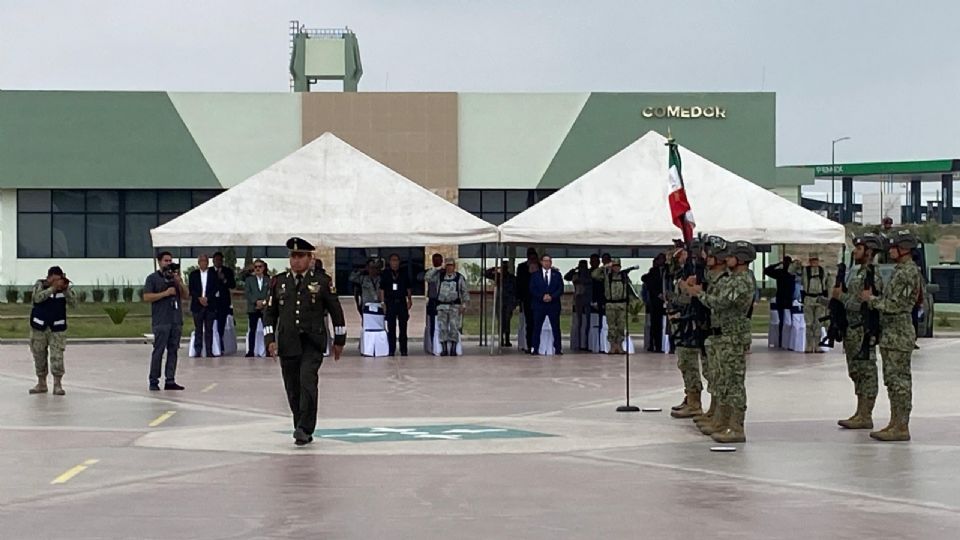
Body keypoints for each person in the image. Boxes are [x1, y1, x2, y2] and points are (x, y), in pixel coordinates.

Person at [264, 237, 346, 446]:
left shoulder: (322, 282)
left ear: (310, 259)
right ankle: (299, 424)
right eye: (293, 256)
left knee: (307, 382)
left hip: (312, 341)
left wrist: (340, 339)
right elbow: (270, 314)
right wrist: (269, 339)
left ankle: (305, 427)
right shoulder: (279, 282)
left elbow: (336, 311)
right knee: (292, 387)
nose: (296, 261)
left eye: (301, 256)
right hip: (288, 341)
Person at [683, 240, 755, 443]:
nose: (727, 259)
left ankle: (736, 426)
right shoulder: (734, 278)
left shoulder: (742, 280)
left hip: (733, 337)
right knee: (723, 381)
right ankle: (723, 422)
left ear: (741, 259)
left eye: (731, 256)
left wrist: (699, 294)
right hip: (724, 336)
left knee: (734, 384)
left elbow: (722, 303)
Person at [861, 229, 923, 442]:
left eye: (894, 247)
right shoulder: (900, 270)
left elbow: (897, 305)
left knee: (899, 382)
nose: (891, 251)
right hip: (891, 334)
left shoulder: (907, 272)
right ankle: (894, 422)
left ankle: (901, 425)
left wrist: (872, 300)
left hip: (899, 333)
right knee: (892, 380)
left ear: (904, 249)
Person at [834, 234, 885, 430]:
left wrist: (842, 297)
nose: (855, 251)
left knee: (867, 372)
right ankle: (859, 411)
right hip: (851, 330)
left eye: (859, 248)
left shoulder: (872, 275)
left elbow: (864, 303)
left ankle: (866, 414)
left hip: (863, 330)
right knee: (856, 372)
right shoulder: (857, 272)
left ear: (869, 252)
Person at [692, 237, 730, 431]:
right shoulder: (712, 276)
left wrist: (698, 292)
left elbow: (719, 302)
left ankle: (721, 418)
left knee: (722, 377)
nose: (706, 257)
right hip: (711, 328)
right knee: (713, 373)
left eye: (710, 254)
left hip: (724, 332)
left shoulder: (725, 278)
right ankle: (715, 412)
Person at [28, 266, 77, 396]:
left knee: (57, 356)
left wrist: (65, 289)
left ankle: (57, 385)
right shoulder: (40, 286)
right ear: (49, 278)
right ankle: (41, 383)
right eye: (54, 279)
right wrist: (52, 289)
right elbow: (37, 299)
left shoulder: (65, 288)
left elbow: (74, 304)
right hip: (39, 327)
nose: (57, 282)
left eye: (58, 279)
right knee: (39, 355)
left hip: (57, 328)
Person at [143, 251, 188, 391]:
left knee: (173, 350)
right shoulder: (152, 278)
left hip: (175, 319)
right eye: (166, 261)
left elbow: (186, 295)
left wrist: (180, 283)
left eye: (170, 261)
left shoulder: (175, 278)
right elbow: (147, 297)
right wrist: (165, 293)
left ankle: (170, 379)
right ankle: (153, 380)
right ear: (159, 262)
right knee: (159, 350)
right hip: (161, 320)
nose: (168, 263)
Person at [425, 258, 470, 356]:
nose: (449, 268)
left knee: (454, 327)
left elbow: (465, 292)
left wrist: (464, 305)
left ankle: (453, 348)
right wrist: (438, 268)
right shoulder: (439, 277)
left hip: (455, 306)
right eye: (447, 265)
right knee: (442, 328)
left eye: (451, 265)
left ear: (454, 266)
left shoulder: (459, 277)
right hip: (442, 306)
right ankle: (444, 348)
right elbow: (427, 277)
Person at [602, 258, 638, 355]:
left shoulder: (624, 277)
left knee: (621, 326)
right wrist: (605, 267)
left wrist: (632, 302)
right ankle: (612, 346)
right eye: (614, 266)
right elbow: (595, 275)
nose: (616, 268)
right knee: (611, 327)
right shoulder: (607, 276)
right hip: (610, 304)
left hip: (622, 304)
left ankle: (620, 346)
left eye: (618, 266)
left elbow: (629, 289)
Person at [530, 254, 564, 355]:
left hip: (553, 304)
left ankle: (558, 348)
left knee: (556, 327)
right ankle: (535, 348)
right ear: (541, 262)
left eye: (549, 261)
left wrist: (552, 296)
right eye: (545, 261)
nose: (547, 263)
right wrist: (542, 296)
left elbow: (560, 288)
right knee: (537, 327)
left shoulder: (556, 275)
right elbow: (532, 289)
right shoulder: (535, 275)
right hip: (539, 305)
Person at [380, 253, 413, 356]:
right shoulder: (385, 273)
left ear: (399, 262)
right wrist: (382, 303)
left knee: (403, 327)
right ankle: (391, 349)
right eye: (393, 260)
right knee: (391, 327)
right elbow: (381, 289)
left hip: (401, 302)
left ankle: (404, 349)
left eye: (396, 260)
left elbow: (408, 287)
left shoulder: (403, 273)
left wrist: (409, 299)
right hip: (390, 302)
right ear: (389, 262)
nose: (394, 262)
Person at [188, 254, 220, 358]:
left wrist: (207, 298)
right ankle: (198, 350)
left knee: (209, 329)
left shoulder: (213, 274)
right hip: (197, 305)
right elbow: (191, 289)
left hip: (209, 305)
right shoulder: (193, 274)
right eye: (201, 261)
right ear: (198, 262)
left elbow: (215, 288)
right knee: (198, 329)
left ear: (208, 262)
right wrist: (199, 298)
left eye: (205, 261)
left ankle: (209, 350)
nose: (203, 263)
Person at [763, 256, 795, 348]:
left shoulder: (792, 274)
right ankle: (782, 340)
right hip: (782, 298)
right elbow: (766, 271)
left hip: (788, 299)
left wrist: (778, 264)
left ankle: (787, 340)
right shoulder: (780, 273)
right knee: (782, 320)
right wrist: (778, 264)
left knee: (788, 321)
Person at [801, 253, 829, 353]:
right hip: (808, 298)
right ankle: (809, 346)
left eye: (815, 260)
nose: (814, 262)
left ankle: (817, 345)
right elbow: (791, 271)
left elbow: (827, 284)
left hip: (819, 298)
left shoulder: (823, 271)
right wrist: (797, 263)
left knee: (818, 323)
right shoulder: (805, 270)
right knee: (809, 323)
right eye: (812, 260)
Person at [485, 260, 517, 347]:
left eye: (506, 267)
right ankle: (501, 339)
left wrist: (515, 303)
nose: (505, 269)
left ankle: (507, 339)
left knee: (507, 321)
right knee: (500, 320)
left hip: (508, 301)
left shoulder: (512, 278)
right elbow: (485, 273)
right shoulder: (498, 276)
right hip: (500, 301)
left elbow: (516, 290)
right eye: (503, 267)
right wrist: (495, 268)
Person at [641, 253, 668, 352]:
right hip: (655, 301)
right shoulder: (653, 271)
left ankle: (663, 346)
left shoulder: (667, 270)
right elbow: (645, 280)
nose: (662, 261)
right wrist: (658, 294)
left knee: (665, 324)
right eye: (660, 259)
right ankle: (653, 345)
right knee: (655, 324)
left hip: (667, 300)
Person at [243, 259, 270, 357]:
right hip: (253, 308)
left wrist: (263, 302)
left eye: (260, 267)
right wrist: (256, 301)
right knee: (252, 330)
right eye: (256, 267)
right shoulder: (249, 280)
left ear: (263, 268)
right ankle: (251, 351)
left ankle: (268, 351)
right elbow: (247, 292)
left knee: (267, 330)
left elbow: (269, 293)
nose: (258, 269)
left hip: (264, 308)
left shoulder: (268, 280)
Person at [565, 259, 594, 351]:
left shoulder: (590, 274)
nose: (582, 268)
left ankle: (585, 344)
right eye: (581, 266)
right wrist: (574, 270)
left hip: (587, 299)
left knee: (586, 323)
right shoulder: (575, 274)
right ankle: (577, 344)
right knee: (577, 323)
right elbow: (566, 277)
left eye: (584, 266)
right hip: (577, 299)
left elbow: (590, 281)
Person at [515, 247, 540, 351]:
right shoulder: (522, 267)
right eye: (531, 257)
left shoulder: (541, 267)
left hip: (539, 299)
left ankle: (539, 344)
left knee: (539, 322)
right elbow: (520, 283)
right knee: (529, 323)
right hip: (527, 299)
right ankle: (530, 345)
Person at [211, 251, 236, 351]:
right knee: (211, 324)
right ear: (213, 261)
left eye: (220, 260)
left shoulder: (227, 271)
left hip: (223, 302)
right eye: (216, 260)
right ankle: (212, 345)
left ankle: (220, 343)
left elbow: (232, 285)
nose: (218, 262)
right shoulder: (209, 271)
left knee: (221, 323)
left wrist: (224, 279)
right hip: (212, 301)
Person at [421, 253, 444, 349]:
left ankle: (442, 344)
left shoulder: (444, 272)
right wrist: (436, 269)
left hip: (442, 301)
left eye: (438, 260)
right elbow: (427, 278)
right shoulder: (431, 272)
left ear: (442, 261)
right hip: (433, 301)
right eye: (434, 260)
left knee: (442, 324)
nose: (436, 262)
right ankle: (432, 344)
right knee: (431, 324)